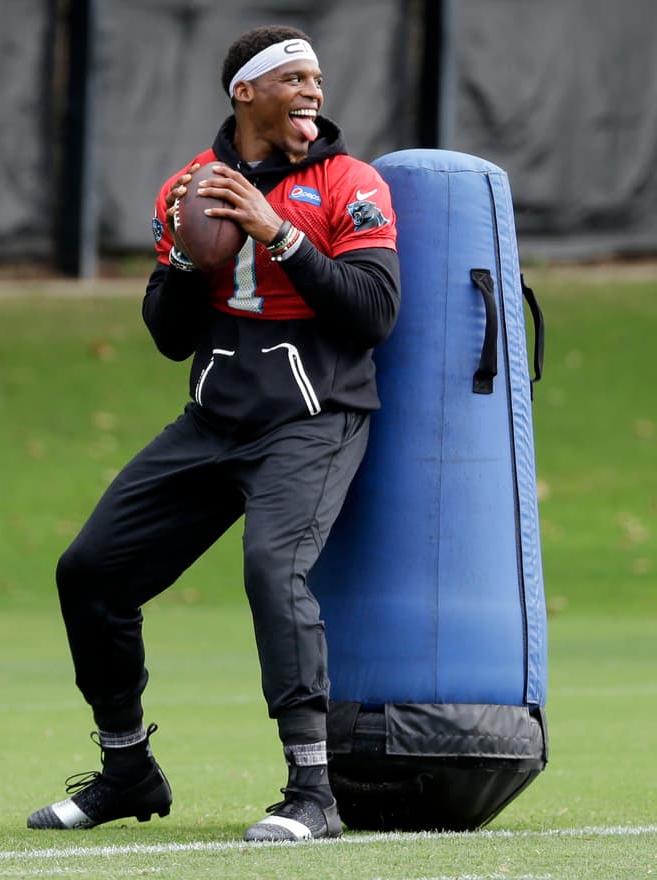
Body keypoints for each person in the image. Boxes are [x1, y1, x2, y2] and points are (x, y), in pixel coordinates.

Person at [26, 24, 399, 842]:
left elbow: (374, 311)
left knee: (274, 569)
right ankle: (127, 771)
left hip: (314, 416)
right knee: (90, 572)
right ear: (246, 93)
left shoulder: (350, 182)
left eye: (319, 80)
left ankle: (313, 794)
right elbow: (166, 333)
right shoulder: (188, 188)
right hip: (215, 418)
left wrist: (279, 234)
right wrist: (193, 261)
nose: (314, 92)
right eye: (295, 78)